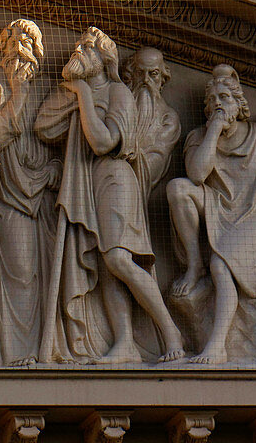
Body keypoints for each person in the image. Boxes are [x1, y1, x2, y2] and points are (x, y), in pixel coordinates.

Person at [35, 27, 184, 364]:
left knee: (117, 258)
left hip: (115, 178)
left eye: (85, 49)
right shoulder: (75, 91)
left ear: (103, 59)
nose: (78, 53)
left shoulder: (118, 92)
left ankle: (170, 332)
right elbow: (43, 126)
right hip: (86, 182)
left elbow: (103, 143)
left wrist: (83, 95)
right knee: (106, 264)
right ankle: (125, 342)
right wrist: (73, 94)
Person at [166, 64, 256, 364]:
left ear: (239, 103)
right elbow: (196, 174)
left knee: (222, 264)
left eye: (225, 98)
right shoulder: (199, 137)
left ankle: (217, 347)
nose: (218, 103)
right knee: (178, 189)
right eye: (213, 99)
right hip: (218, 208)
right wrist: (215, 130)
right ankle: (194, 267)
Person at [0, 19, 60, 366]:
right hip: (9, 196)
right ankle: (16, 356)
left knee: (47, 275)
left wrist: (55, 170)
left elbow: (63, 145)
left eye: (27, 41)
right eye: (12, 41)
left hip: (46, 197)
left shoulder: (49, 89)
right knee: (19, 273)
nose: (20, 47)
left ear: (37, 51)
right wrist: (17, 96)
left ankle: (47, 350)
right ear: (0, 50)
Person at [120, 47, 181, 200]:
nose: (146, 80)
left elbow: (154, 164)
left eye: (153, 74)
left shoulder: (169, 119)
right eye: (140, 73)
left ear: (162, 78)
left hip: (129, 188)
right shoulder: (118, 108)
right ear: (131, 75)